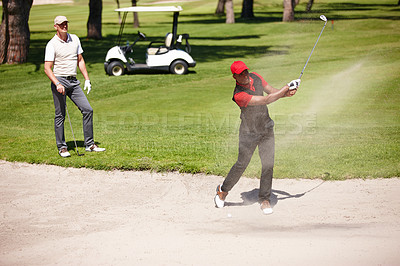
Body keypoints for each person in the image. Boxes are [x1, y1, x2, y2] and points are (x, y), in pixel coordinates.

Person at [214, 61, 300, 214]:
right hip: (249, 132)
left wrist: (287, 93)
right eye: (241, 74)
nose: (245, 75)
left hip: (266, 128)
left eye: (246, 71)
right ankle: (223, 190)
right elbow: (266, 100)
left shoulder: (256, 78)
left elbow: (272, 91)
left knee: (268, 164)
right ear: (235, 76)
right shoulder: (239, 94)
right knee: (242, 164)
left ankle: (265, 199)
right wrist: (286, 87)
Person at [44, 16, 105, 157]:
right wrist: (57, 83)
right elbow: (47, 68)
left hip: (74, 82)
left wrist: (87, 79)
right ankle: (62, 148)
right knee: (60, 115)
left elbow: (80, 60)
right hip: (59, 80)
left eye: (66, 23)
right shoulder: (51, 44)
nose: (64, 26)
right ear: (55, 26)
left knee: (88, 110)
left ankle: (89, 145)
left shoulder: (75, 39)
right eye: (61, 24)